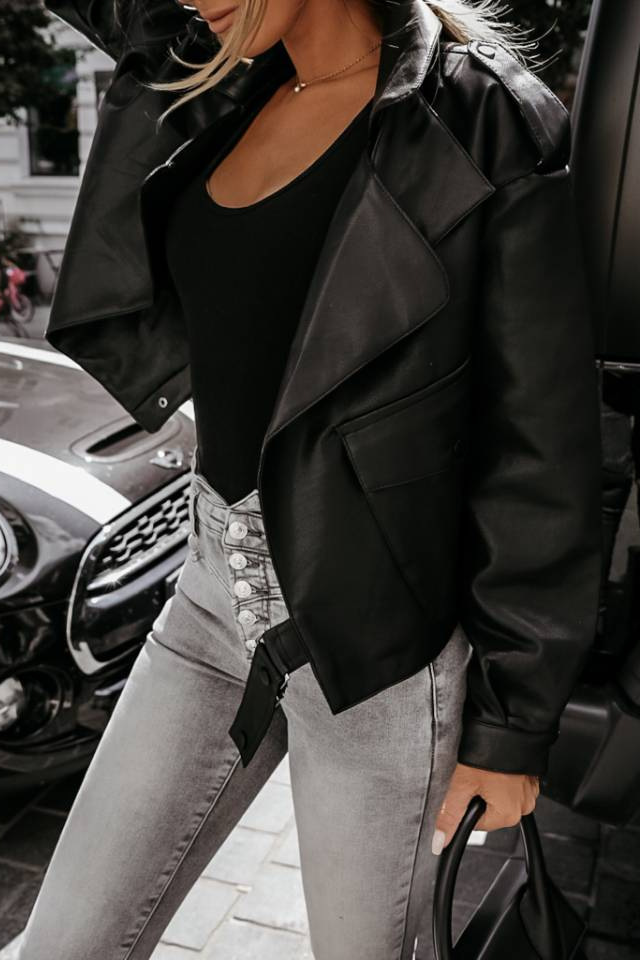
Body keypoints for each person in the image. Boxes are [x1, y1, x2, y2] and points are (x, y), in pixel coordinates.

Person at [17, 1, 602, 958]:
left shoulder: (482, 121)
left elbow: (541, 444)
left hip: (379, 654)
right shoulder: (215, 74)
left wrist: (511, 729)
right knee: (62, 946)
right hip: (209, 597)